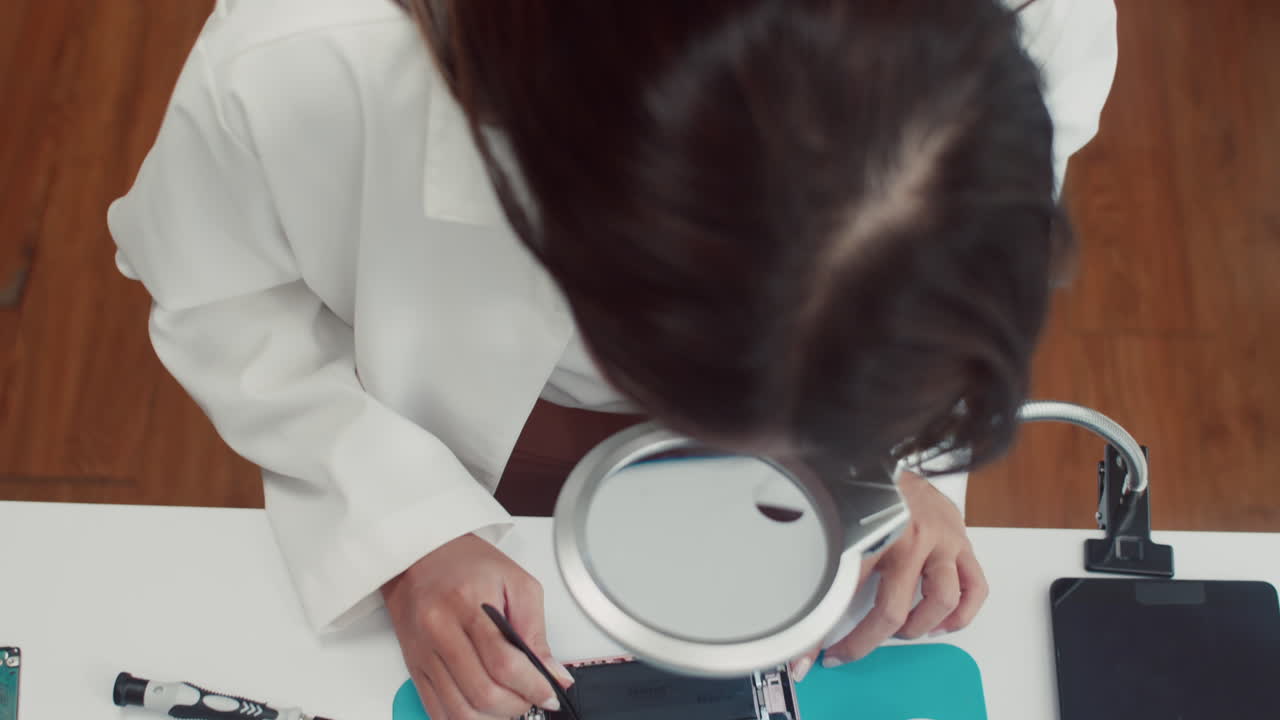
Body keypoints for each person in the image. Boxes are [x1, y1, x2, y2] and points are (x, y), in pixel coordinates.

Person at [107, 0, 1117, 717]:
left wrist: (890, 464)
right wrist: (400, 530)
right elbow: (216, 291)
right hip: (472, 424)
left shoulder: (1041, 18)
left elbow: (974, 241)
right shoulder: (307, 53)